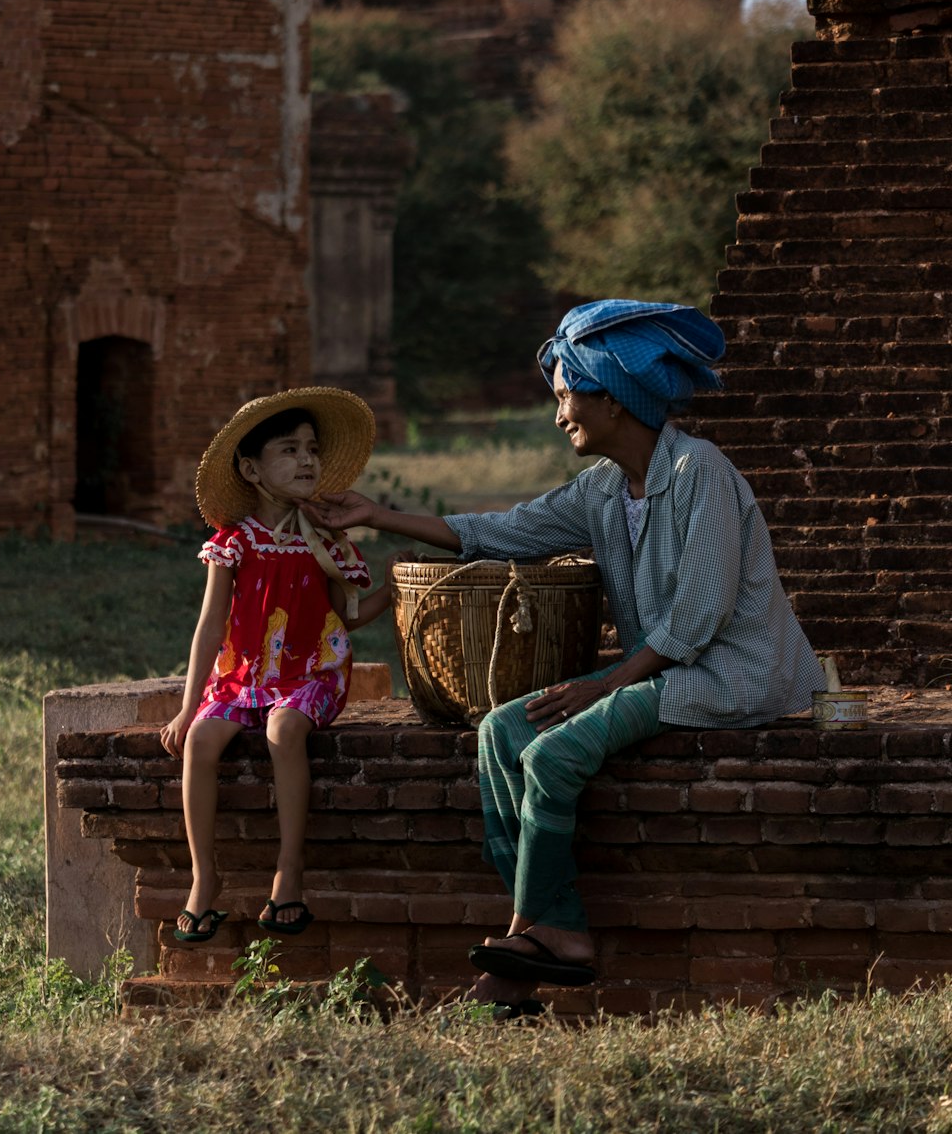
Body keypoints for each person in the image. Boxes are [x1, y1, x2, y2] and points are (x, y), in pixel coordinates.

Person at [311, 299, 824, 1009]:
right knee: (501, 732)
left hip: (732, 673)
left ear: (611, 400)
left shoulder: (700, 471)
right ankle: (552, 932)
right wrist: (375, 514)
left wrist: (605, 686)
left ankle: (532, 932)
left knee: (553, 753)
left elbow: (699, 619)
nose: (560, 417)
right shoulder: (604, 489)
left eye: (566, 397)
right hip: (663, 668)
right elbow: (502, 532)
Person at [160, 387, 393, 944]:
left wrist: (400, 587)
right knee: (199, 741)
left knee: (284, 729)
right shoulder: (233, 544)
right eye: (288, 450)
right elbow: (210, 626)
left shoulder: (327, 541)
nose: (307, 460)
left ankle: (289, 870)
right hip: (243, 677)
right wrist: (189, 705)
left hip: (312, 672)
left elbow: (347, 618)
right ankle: (205, 875)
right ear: (251, 468)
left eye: (311, 448)